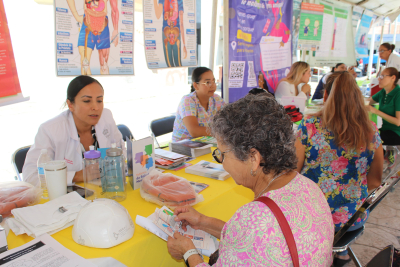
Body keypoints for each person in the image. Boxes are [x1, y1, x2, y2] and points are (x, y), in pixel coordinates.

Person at [167, 93, 334, 266]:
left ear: (253, 158)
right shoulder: (309, 186)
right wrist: (203, 222)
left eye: (221, 155)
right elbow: (250, 241)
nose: (222, 163)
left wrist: (188, 252)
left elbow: (254, 233)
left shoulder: (255, 218)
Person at [295, 71, 383, 267]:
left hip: (313, 218)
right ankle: (341, 253)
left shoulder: (310, 126)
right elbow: (375, 181)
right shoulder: (371, 131)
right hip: (352, 220)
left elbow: (293, 173)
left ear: (326, 97)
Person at [23, 76, 125, 187]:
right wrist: (77, 175)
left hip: (105, 190)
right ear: (70, 105)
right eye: (87, 101)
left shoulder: (106, 117)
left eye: (99, 100)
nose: (96, 107)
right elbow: (31, 176)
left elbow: (121, 151)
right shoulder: (50, 130)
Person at [172, 67, 225, 142]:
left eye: (213, 81)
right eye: (207, 82)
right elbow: (194, 131)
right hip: (183, 146)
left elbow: (230, 117)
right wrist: (221, 132)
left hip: (205, 142)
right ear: (196, 85)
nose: (213, 85)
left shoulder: (216, 99)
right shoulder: (188, 101)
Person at [67, 0, 119, 75]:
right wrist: (77, 17)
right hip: (87, 23)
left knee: (103, 65)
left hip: (102, 25)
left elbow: (114, 8)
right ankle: (89, 85)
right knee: (85, 63)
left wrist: (116, 29)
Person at [368, 67, 400, 146]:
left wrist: (375, 111)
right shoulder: (383, 92)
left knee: (369, 142)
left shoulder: (398, 94)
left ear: (393, 78)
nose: (379, 79)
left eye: (382, 77)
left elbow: (398, 122)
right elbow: (368, 101)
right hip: (385, 130)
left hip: (396, 133)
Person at [153, 0, 187, 67]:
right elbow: (158, 15)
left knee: (175, 64)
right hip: (169, 33)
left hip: (173, 33)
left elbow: (182, 24)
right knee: (172, 64)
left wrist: (184, 44)